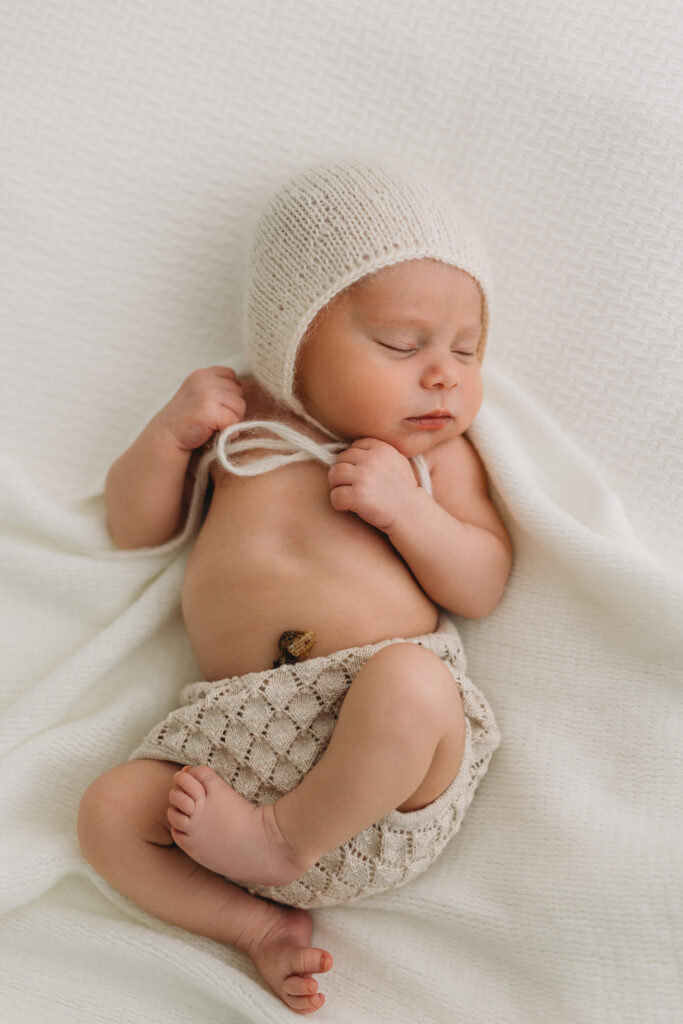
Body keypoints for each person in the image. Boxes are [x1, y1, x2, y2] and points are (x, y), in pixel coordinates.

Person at [78, 160, 512, 1015]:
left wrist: (408, 516)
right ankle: (254, 929)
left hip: (377, 769)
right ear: (294, 335)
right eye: (401, 342)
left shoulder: (431, 458)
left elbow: (483, 581)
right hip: (233, 752)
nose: (443, 374)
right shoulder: (237, 426)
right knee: (107, 813)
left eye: (466, 350)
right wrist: (169, 438)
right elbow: (135, 529)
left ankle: (283, 843)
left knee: (413, 685)